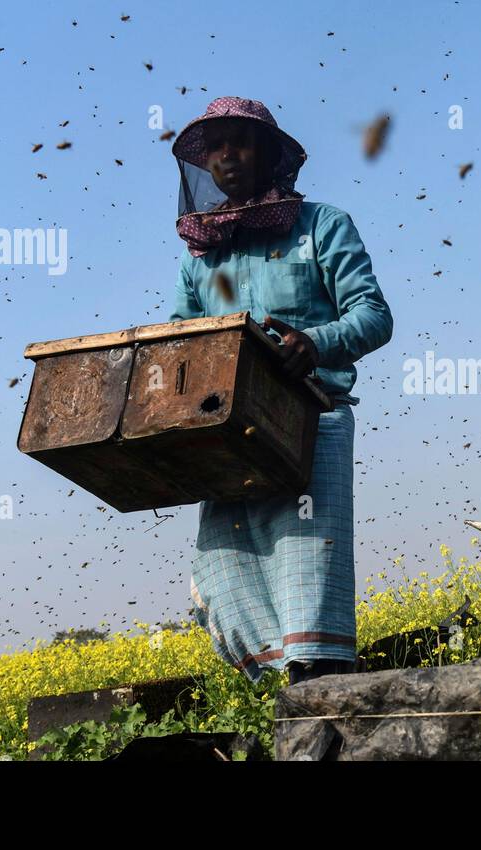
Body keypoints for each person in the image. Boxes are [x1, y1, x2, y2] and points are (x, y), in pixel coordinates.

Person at [168, 97, 393, 684]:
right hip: (228, 439)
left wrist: (315, 343)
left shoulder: (323, 225)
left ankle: (322, 708)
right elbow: (179, 344)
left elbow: (373, 315)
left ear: (271, 155)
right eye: (214, 147)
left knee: (308, 576)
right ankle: (293, 705)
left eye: (240, 142)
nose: (226, 157)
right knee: (223, 571)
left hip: (310, 421)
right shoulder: (200, 259)